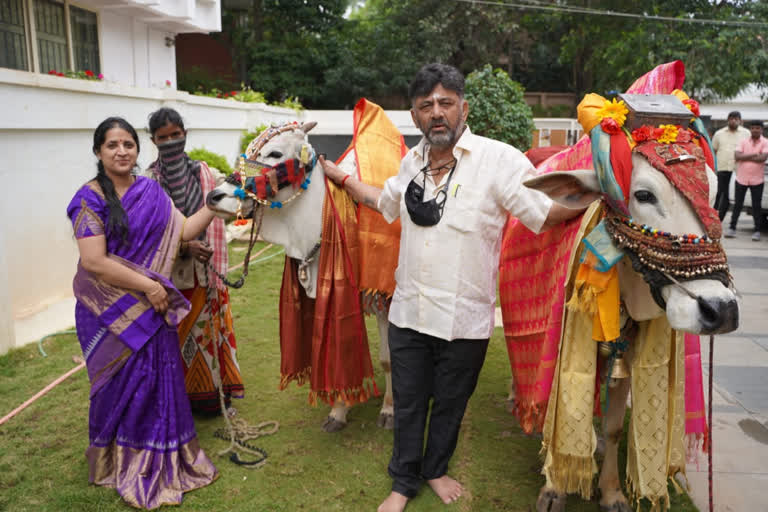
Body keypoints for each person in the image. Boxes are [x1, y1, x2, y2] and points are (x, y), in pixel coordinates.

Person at [319, 63, 592, 512]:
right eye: (426, 106)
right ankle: (403, 483)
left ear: (464, 108)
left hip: (465, 319)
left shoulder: (498, 160)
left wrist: (600, 195)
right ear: (415, 115)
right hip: (408, 313)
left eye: (446, 103)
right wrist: (341, 178)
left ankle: (436, 469)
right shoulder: (410, 162)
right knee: (408, 403)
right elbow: (381, 200)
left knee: (450, 402)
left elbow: (543, 212)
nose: (437, 113)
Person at [68, 117, 220, 508]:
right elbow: (95, 262)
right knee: (117, 388)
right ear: (99, 152)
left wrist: (220, 202)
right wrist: (151, 286)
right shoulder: (89, 199)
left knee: (158, 384)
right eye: (112, 145)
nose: (121, 151)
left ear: (138, 150)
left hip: (151, 308)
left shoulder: (150, 192)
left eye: (128, 144)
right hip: (108, 310)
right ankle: (116, 462)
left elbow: (184, 230)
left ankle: (160, 457)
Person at [145, 107, 244, 415]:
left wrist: (240, 187)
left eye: (176, 135)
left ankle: (219, 397)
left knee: (216, 333)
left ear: (185, 135)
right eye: (164, 138)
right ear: (154, 140)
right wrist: (185, 246)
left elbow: (229, 205)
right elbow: (150, 233)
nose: (171, 142)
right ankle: (189, 401)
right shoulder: (149, 182)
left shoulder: (205, 172)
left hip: (211, 275)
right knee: (185, 338)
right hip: (177, 279)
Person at [726, 119, 767, 241]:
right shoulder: (743, 141)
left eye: (758, 128)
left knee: (756, 206)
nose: (755, 130)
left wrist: (745, 157)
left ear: (761, 130)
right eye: (753, 128)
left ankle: (757, 230)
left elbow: (763, 158)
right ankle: (732, 228)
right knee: (738, 204)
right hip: (741, 178)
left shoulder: (765, 142)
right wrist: (754, 154)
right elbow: (737, 156)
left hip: (757, 180)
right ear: (750, 129)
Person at [711, 111, 749, 220]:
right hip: (722, 169)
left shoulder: (746, 133)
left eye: (736, 119)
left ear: (740, 121)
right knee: (719, 194)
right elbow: (714, 150)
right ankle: (714, 219)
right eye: (731, 118)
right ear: (727, 120)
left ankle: (727, 221)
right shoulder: (719, 133)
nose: (733, 121)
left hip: (738, 170)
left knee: (732, 197)